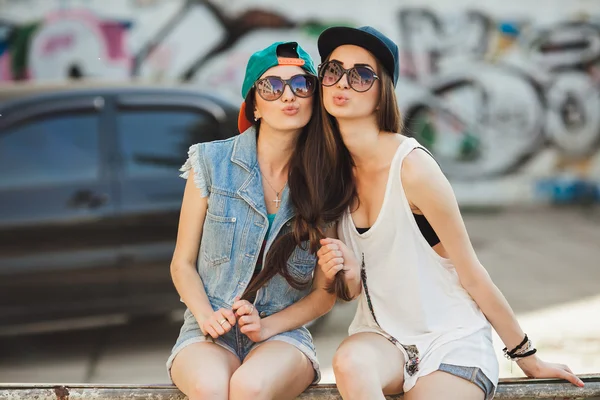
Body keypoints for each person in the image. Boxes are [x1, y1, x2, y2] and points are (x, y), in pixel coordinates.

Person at [312, 26, 585, 400]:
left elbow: (472, 273)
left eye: (361, 75)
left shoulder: (412, 168)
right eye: (333, 70)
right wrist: (339, 270)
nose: (343, 82)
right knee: (349, 362)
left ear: (381, 95)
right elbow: (352, 289)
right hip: (384, 342)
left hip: (451, 342)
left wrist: (527, 357)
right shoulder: (332, 175)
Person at [166, 41, 336, 400]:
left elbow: (323, 296)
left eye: (301, 85)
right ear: (254, 104)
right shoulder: (210, 162)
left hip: (283, 336)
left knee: (250, 388)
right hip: (208, 329)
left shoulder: (327, 182)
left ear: (313, 98)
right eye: (272, 87)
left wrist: (267, 326)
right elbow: (181, 264)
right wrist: (207, 315)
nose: (288, 96)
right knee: (209, 388)